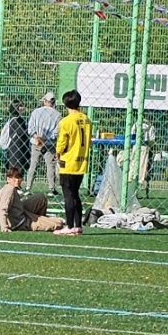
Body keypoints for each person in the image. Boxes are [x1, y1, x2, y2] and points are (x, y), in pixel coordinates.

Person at [54, 89, 92, 237]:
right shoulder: (86, 119)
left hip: (68, 160)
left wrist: (58, 154)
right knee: (76, 194)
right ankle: (78, 226)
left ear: (65, 104)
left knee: (68, 194)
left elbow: (62, 141)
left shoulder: (66, 121)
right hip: (81, 160)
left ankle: (69, 226)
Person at [0, 166, 61, 232]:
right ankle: (40, 220)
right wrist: (4, 226)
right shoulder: (9, 188)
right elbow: (2, 209)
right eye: (14, 178)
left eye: (19, 178)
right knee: (58, 223)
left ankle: (40, 217)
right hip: (22, 222)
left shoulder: (4, 189)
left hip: (22, 213)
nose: (17, 180)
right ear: (8, 179)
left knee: (40, 197)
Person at [25, 92, 61, 195]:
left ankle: (28, 187)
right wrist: (46, 138)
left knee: (33, 164)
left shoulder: (36, 112)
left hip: (36, 142)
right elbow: (56, 132)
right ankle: (51, 188)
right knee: (50, 165)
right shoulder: (57, 115)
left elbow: (30, 128)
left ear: (45, 101)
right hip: (49, 143)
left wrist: (36, 136)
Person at [0, 100, 30, 173]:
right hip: (17, 146)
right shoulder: (17, 120)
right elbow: (22, 132)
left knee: (16, 166)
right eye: (20, 106)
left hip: (16, 147)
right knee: (16, 167)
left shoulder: (15, 119)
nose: (23, 108)